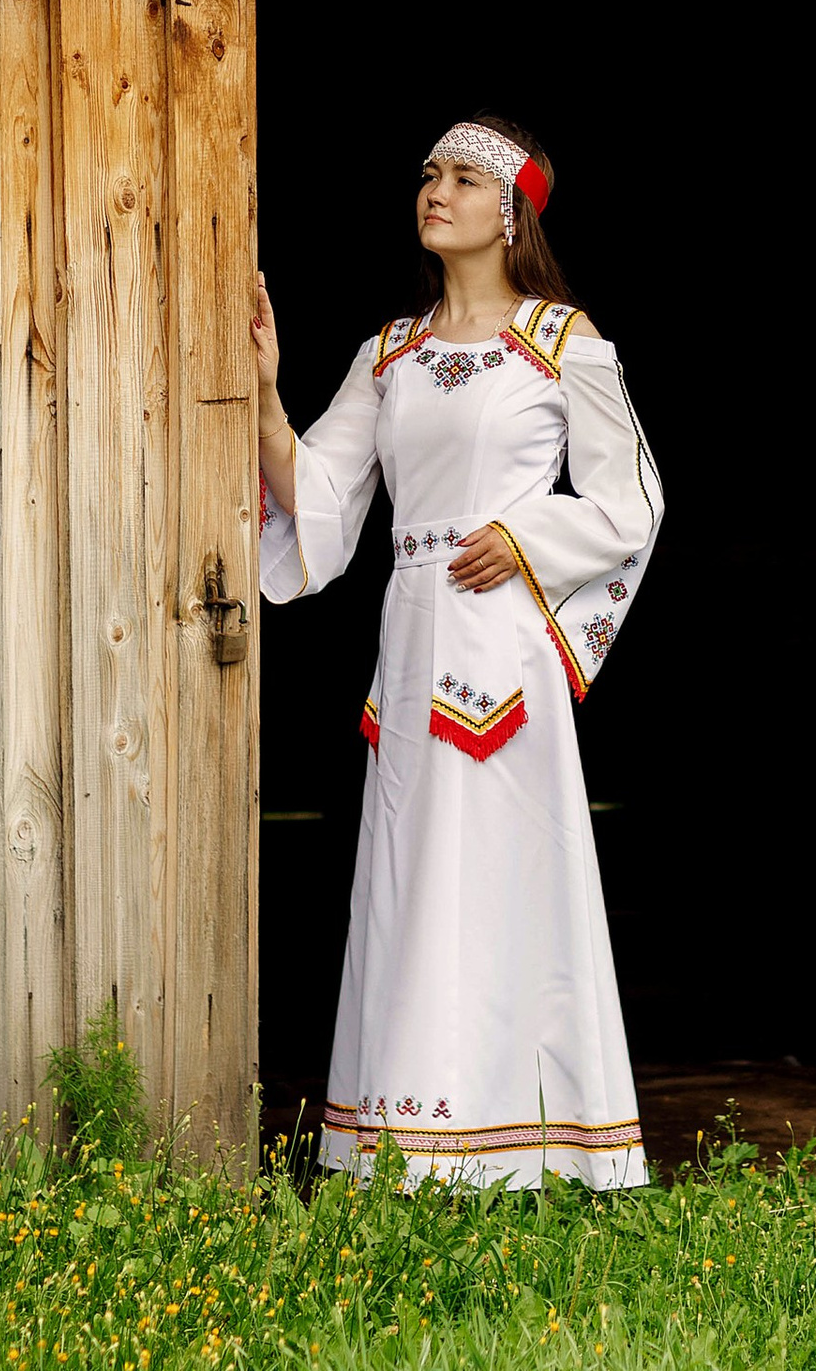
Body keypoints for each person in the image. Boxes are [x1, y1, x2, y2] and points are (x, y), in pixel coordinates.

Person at [253, 116, 661, 1189]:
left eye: (463, 176)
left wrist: (527, 536)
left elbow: (633, 503)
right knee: (407, 875)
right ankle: (410, 1141)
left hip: (505, 645)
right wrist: (261, 390)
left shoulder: (564, 343)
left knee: (511, 873)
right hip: (411, 637)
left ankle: (537, 1143)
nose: (436, 189)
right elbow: (324, 506)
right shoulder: (387, 353)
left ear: (510, 209)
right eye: (429, 173)